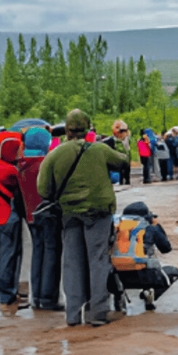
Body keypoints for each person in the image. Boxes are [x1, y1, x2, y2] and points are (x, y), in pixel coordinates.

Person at [37, 109, 126, 327]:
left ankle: (73, 314)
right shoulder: (100, 150)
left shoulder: (54, 154)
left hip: (70, 214)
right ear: (88, 129)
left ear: (66, 129)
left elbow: (43, 189)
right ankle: (97, 312)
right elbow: (123, 162)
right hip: (98, 212)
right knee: (98, 260)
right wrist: (120, 140)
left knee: (72, 262)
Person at [18, 127, 63, 311]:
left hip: (31, 214)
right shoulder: (45, 164)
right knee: (51, 253)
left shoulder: (21, 164)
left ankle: (36, 296)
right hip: (48, 213)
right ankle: (48, 297)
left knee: (38, 253)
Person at [110, 201, 178, 310]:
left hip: (115, 277)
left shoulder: (115, 228)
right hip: (145, 276)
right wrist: (157, 227)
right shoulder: (149, 227)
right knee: (174, 272)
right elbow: (166, 249)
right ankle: (148, 295)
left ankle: (119, 295)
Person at [0, 131, 27, 310]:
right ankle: (7, 292)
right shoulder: (9, 169)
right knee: (10, 254)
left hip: (1, 215)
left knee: (8, 252)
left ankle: (9, 291)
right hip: (10, 215)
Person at [106, 120, 133, 186]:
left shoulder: (126, 139)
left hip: (124, 158)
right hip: (121, 158)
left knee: (126, 171)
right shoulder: (115, 141)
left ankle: (125, 181)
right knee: (122, 171)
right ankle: (123, 181)